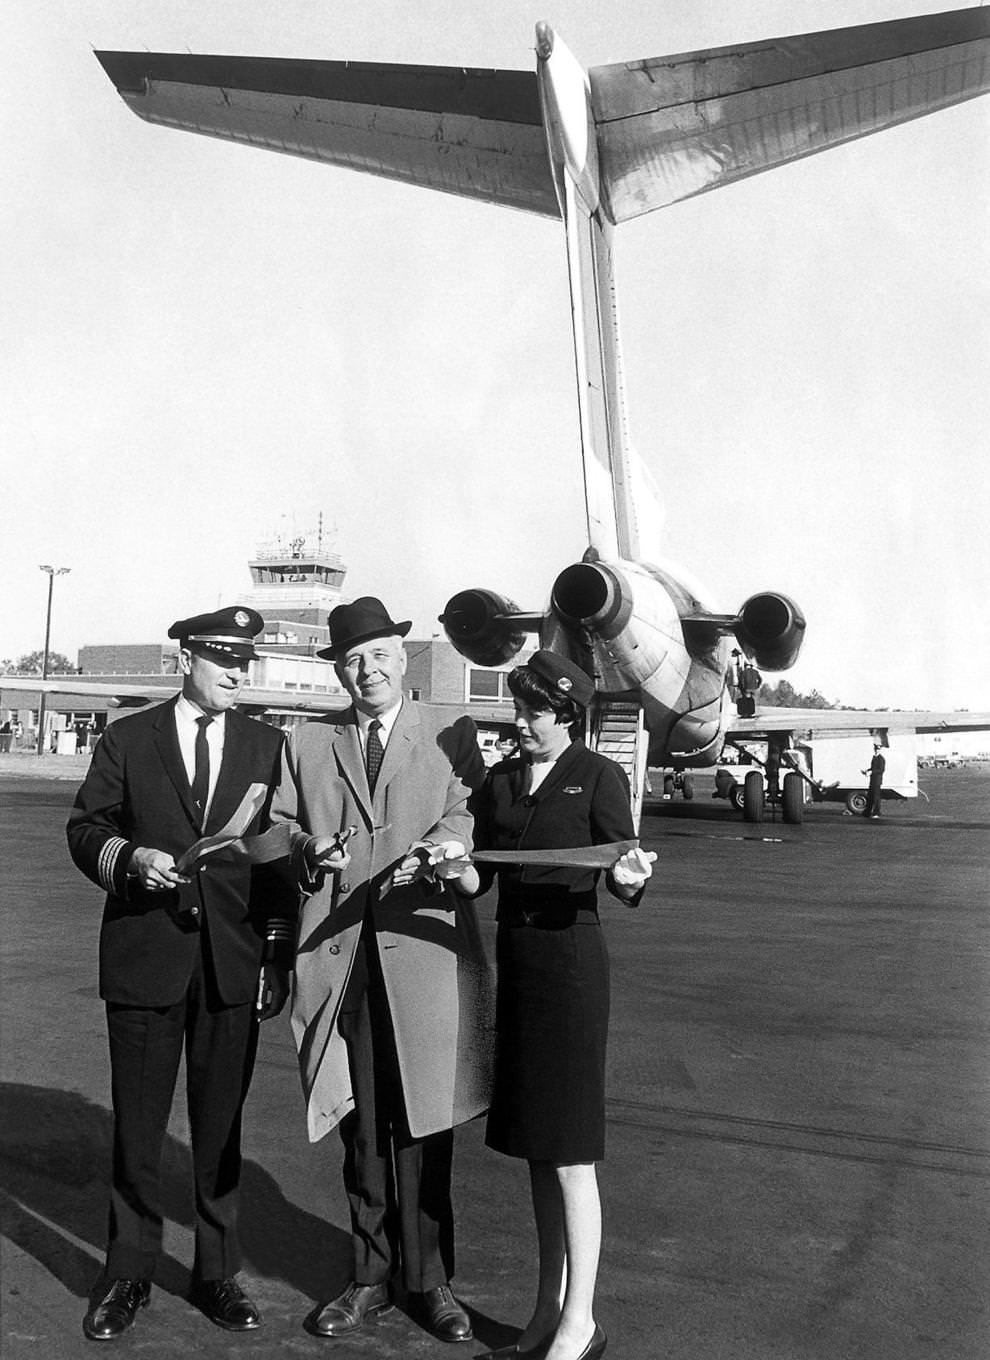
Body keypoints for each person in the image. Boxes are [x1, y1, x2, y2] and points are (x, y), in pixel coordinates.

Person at [66, 606, 296, 1342]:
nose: (237, 672)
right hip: (146, 957)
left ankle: (216, 1271)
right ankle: (127, 1270)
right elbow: (86, 828)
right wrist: (132, 861)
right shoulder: (130, 738)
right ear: (184, 660)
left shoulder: (268, 745)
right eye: (222, 658)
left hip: (230, 962)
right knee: (137, 1127)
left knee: (220, 1127)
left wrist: (275, 951)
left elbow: (277, 858)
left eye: (244, 661)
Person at [269, 596, 493, 1343]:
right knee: (360, 1126)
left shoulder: (450, 734)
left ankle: (431, 1283)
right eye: (352, 659)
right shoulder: (306, 741)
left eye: (379, 655)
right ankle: (367, 1278)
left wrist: (444, 845)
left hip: (422, 957)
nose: (367, 670)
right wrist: (306, 848)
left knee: (424, 1121)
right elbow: (274, 828)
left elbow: (469, 815)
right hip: (342, 959)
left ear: (403, 658)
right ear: (338, 669)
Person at [460, 651, 655, 1360]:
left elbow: (624, 872)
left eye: (535, 712)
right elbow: (477, 873)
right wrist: (456, 868)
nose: (522, 722)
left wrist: (632, 878)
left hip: (572, 973)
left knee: (571, 1154)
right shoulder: (502, 779)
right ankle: (546, 1312)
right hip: (520, 970)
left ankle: (582, 1323)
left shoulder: (598, 776)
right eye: (519, 709)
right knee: (537, 1151)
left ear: (567, 713)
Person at [863, 741, 885, 818]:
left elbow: (881, 770)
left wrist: (872, 771)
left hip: (877, 781)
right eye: (875, 749)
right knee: (870, 796)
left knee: (876, 797)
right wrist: (867, 770)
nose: (876, 750)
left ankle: (876, 813)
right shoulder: (874, 757)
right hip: (872, 780)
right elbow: (873, 768)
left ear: (880, 750)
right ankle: (867, 812)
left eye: (878, 749)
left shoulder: (881, 759)